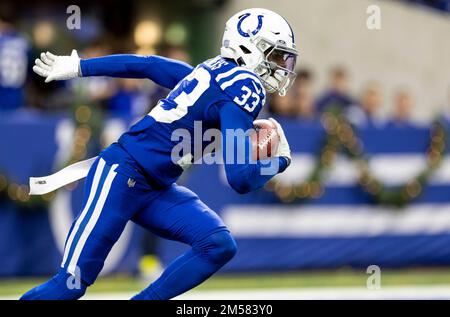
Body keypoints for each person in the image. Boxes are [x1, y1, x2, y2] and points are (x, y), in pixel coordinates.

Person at [21, 8, 297, 300]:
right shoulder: (244, 85)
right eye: (275, 55)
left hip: (155, 186)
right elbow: (241, 179)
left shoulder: (213, 71)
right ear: (250, 47)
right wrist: (278, 161)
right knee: (69, 285)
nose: (279, 66)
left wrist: (81, 67)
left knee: (217, 244)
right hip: (123, 174)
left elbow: (147, 65)